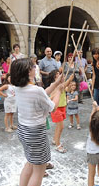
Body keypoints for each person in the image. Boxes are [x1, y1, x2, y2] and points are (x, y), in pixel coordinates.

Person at [11, 58, 63, 186]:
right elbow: (52, 106)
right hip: (35, 134)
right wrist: (59, 92)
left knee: (30, 162)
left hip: (23, 131)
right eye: (33, 67)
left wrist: (55, 84)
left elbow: (41, 95)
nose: (35, 69)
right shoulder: (36, 90)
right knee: (39, 170)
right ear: (28, 72)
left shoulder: (18, 88)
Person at [49, 69, 73, 153]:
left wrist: (69, 82)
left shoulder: (61, 84)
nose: (60, 75)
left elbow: (67, 90)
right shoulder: (54, 85)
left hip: (63, 107)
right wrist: (69, 79)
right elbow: (51, 96)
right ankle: (58, 145)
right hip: (57, 108)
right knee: (61, 127)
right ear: (54, 77)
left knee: (58, 126)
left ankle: (55, 140)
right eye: (58, 74)